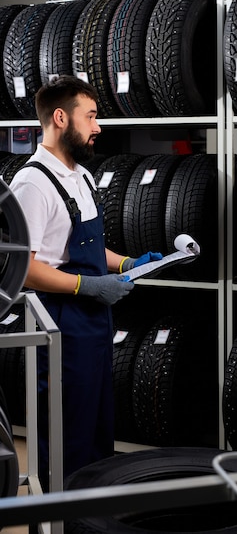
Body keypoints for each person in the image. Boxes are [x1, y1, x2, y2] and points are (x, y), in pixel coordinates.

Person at [10, 75, 162, 491]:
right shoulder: (33, 183)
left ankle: (91, 517)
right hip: (60, 325)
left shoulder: (80, 175)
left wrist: (126, 263)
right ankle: (62, 516)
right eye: (91, 116)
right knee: (67, 436)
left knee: (97, 432)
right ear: (60, 118)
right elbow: (25, 267)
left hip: (93, 325)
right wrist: (87, 287)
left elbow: (91, 248)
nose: (98, 127)